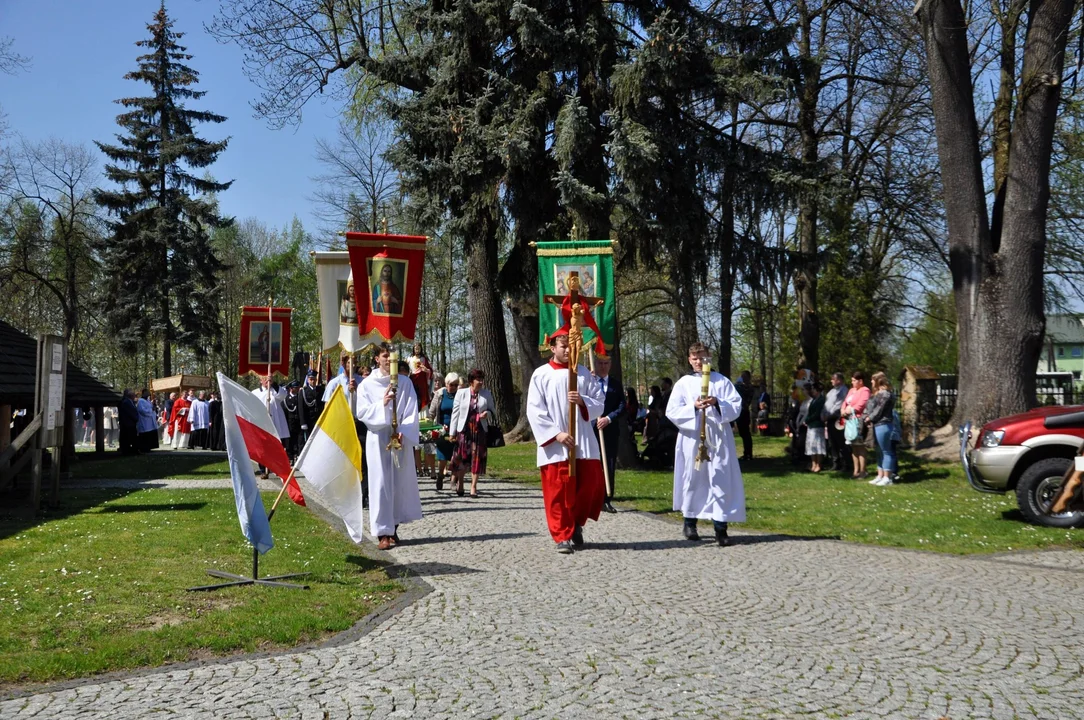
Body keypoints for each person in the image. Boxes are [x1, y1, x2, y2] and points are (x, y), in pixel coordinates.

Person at [526, 329, 606, 554]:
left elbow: (599, 402)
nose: (570, 350)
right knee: (558, 491)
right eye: (564, 346)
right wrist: (556, 434)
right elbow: (534, 410)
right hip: (557, 444)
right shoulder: (541, 374)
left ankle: (576, 524)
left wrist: (582, 401)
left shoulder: (582, 373)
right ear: (553, 348)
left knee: (588, 486)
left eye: (573, 346)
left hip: (583, 441)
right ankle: (562, 535)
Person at [665, 342, 745, 547]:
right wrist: (693, 407)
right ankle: (690, 523)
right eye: (695, 358)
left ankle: (721, 528)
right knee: (693, 479)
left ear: (710, 357)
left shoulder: (722, 381)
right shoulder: (683, 383)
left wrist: (718, 403)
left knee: (720, 479)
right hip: (692, 437)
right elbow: (672, 411)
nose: (699, 362)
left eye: (703, 357)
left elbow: (736, 406)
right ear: (689, 360)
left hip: (718, 438)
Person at [356, 343, 422, 550]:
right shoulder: (367, 385)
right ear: (377, 358)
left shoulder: (405, 382)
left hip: (399, 438)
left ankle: (393, 527)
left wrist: (404, 430)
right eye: (385, 356)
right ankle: (382, 532)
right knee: (381, 484)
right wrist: (382, 404)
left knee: (398, 484)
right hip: (378, 439)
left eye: (392, 357)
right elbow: (362, 413)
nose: (389, 360)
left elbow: (412, 409)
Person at [449, 368, 495, 498]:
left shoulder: (487, 394)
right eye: (477, 379)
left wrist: (488, 414)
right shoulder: (461, 393)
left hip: (479, 430)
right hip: (464, 430)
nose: (480, 382)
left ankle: (473, 486)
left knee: (477, 458)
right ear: (471, 381)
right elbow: (455, 413)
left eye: (481, 379)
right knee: (462, 458)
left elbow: (493, 410)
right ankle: (461, 482)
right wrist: (452, 432)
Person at [592, 354, 624, 514]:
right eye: (600, 363)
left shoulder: (616, 385)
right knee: (591, 465)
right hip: (591, 430)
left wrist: (608, 419)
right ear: (595, 363)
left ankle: (606, 499)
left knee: (609, 465)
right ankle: (592, 499)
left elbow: (622, 406)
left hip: (610, 431)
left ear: (610, 364)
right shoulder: (589, 383)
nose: (603, 366)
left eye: (606, 363)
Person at [252, 376, 290, 478]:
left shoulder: (276, 391)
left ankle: (277, 469)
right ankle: (263, 470)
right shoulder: (255, 392)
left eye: (268, 379)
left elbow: (283, 395)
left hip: (276, 423)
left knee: (277, 447)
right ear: (260, 380)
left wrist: (274, 385)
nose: (266, 381)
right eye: (264, 379)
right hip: (262, 424)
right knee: (263, 448)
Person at [865, 372, 898, 486]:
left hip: (884, 425)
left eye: (872, 380)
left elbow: (879, 409)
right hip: (876, 424)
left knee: (886, 451)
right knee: (879, 451)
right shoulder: (876, 393)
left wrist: (870, 417)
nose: (871, 382)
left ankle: (887, 477)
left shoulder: (885, 394)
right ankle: (880, 475)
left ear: (878, 380)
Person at [429, 372, 460, 489]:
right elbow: (432, 412)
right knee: (442, 457)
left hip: (456, 430)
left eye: (455, 385)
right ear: (446, 384)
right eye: (451, 385)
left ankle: (454, 478)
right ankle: (440, 476)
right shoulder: (439, 394)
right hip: (442, 429)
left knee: (456, 455)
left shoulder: (460, 395)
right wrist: (430, 425)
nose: (453, 387)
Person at [841, 371, 871, 479]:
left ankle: (863, 471)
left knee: (860, 446)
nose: (852, 382)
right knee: (853, 447)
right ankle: (856, 471)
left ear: (860, 381)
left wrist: (851, 409)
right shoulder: (851, 390)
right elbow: (845, 402)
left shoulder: (865, 390)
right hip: (849, 421)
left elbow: (862, 404)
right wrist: (843, 410)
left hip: (858, 421)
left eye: (854, 380)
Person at [822, 372, 850, 473]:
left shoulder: (843, 390)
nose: (831, 381)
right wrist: (823, 415)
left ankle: (846, 463)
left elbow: (839, 405)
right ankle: (835, 463)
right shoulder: (831, 392)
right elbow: (826, 405)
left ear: (839, 380)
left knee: (841, 442)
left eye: (833, 379)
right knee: (832, 442)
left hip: (838, 419)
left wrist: (828, 415)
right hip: (829, 420)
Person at [803, 382, 827, 472]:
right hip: (811, 426)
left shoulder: (821, 400)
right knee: (811, 445)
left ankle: (819, 464)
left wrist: (807, 420)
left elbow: (817, 413)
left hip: (817, 425)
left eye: (813, 389)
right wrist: (807, 420)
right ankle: (813, 464)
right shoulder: (814, 400)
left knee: (818, 445)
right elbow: (810, 412)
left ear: (817, 390)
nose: (812, 391)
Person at [298, 369, 325, 444]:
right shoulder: (303, 391)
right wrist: (303, 422)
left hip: (319, 419)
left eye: (314, 379)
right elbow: (301, 408)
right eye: (311, 379)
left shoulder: (321, 390)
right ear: (308, 379)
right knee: (309, 441)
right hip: (309, 420)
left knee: (319, 440)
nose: (313, 381)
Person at [734, 370, 755, 461]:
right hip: (743, 411)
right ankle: (747, 453)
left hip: (743, 411)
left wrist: (737, 383)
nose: (742, 378)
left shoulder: (747, 387)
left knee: (745, 434)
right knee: (744, 434)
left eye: (744, 376)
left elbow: (740, 391)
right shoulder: (747, 387)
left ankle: (748, 453)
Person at [282, 381, 304, 462]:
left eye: (298, 387)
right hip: (289, 423)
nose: (298, 389)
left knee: (299, 441)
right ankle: (290, 457)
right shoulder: (286, 399)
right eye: (296, 387)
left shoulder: (300, 397)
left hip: (298, 422)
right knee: (289, 442)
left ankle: (298, 456)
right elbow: (284, 412)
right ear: (291, 389)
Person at [408, 344, 434, 409]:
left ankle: (423, 411)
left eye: (418, 349)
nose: (417, 350)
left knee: (422, 395)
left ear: (421, 349)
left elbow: (430, 370)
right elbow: (407, 368)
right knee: (413, 394)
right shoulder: (410, 358)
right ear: (413, 349)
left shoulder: (423, 359)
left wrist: (426, 370)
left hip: (421, 379)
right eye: (416, 349)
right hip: (412, 378)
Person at [118, 389, 139, 456]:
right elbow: (130, 412)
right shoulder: (126, 402)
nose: (134, 395)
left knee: (133, 437)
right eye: (133, 393)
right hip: (127, 423)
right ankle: (127, 451)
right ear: (128, 394)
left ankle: (133, 450)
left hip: (131, 423)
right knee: (127, 438)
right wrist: (135, 418)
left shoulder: (130, 401)